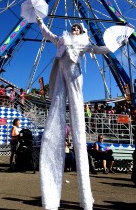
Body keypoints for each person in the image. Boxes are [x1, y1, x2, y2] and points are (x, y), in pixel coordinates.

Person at [36, 16, 113, 210]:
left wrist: (114, 45)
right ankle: (51, 195)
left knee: (78, 120)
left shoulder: (83, 44)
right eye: (74, 28)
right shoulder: (61, 40)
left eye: (78, 28)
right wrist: (39, 22)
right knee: (55, 117)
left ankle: (86, 199)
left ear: (81, 31)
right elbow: (48, 34)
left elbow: (98, 50)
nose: (75, 30)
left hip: (75, 79)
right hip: (61, 79)